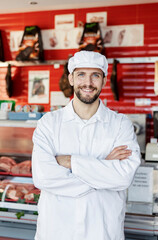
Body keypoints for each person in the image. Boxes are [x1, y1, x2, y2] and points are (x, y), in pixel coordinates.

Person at [32, 51, 141, 240]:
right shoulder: (49, 124)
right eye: (81, 74)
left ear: (104, 81)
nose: (88, 83)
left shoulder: (120, 124)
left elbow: (123, 178)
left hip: (102, 232)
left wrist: (71, 162)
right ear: (71, 79)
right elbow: (43, 178)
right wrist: (103, 166)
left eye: (95, 75)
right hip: (57, 232)